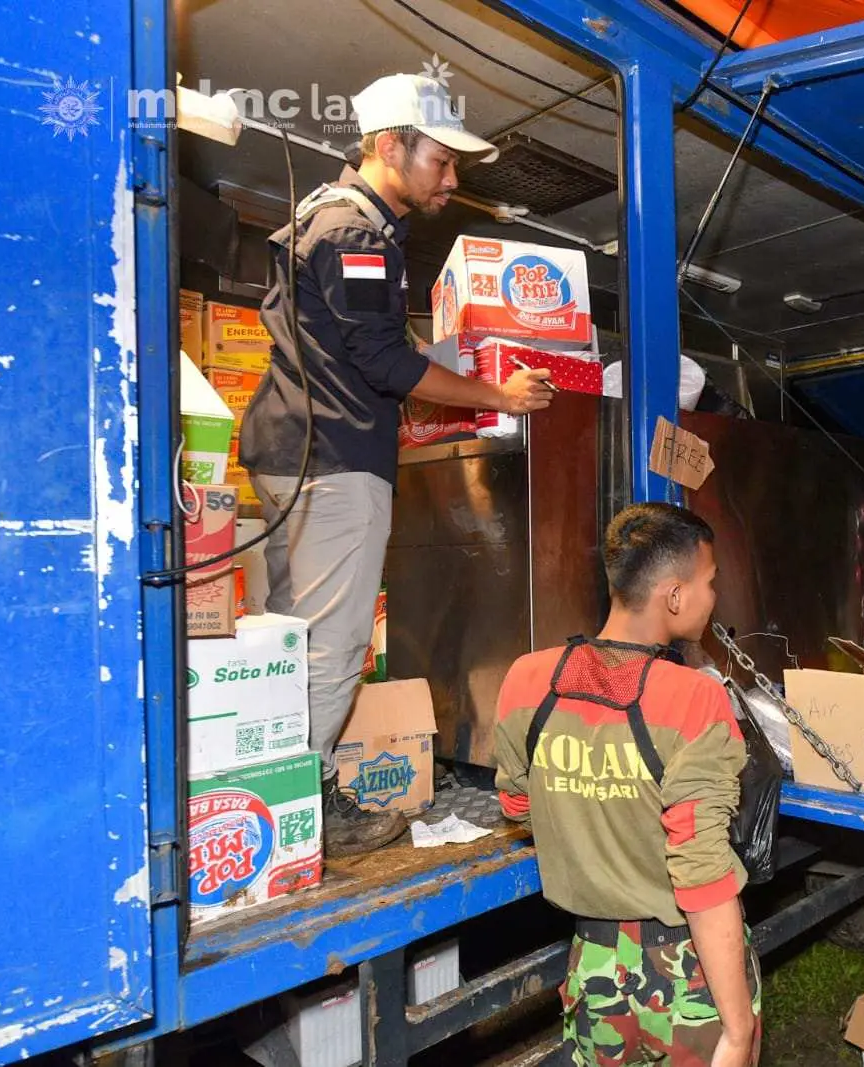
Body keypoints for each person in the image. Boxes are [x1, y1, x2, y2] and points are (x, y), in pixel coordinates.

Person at [239, 73, 556, 856]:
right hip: (333, 460)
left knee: (298, 640)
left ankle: (276, 802)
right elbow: (383, 363)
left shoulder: (329, 218)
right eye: (441, 162)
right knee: (334, 645)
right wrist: (499, 395)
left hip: (301, 453)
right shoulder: (355, 233)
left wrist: (430, 375)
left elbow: (367, 351)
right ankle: (299, 821)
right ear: (389, 147)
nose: (452, 179)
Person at [493, 503, 758, 1067]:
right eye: (710, 582)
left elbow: (517, 803)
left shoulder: (526, 679)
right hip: (691, 977)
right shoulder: (695, 699)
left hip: (594, 969)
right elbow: (703, 875)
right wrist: (737, 1029)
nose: (713, 597)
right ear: (675, 597)